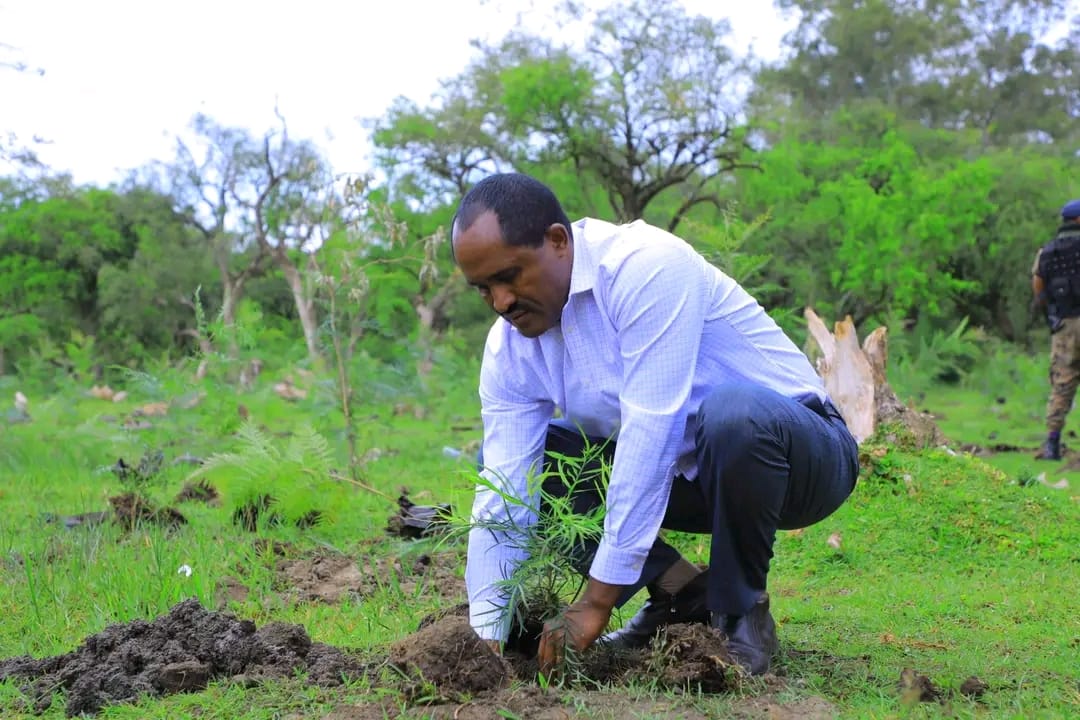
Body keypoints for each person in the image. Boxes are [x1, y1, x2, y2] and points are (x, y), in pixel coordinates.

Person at [453, 172, 859, 677]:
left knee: (733, 414)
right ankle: (683, 591)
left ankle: (740, 611)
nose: (501, 302)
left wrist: (597, 601)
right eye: (483, 289)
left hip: (802, 459)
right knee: (531, 467)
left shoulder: (643, 267)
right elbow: (505, 492)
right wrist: (485, 639)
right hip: (689, 480)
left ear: (558, 241)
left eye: (510, 276)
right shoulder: (509, 348)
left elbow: (651, 432)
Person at [1031, 199, 1080, 461]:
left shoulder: (1047, 251)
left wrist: (1051, 313)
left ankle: (1052, 444)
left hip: (1065, 326)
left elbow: (1037, 286)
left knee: (1062, 383)